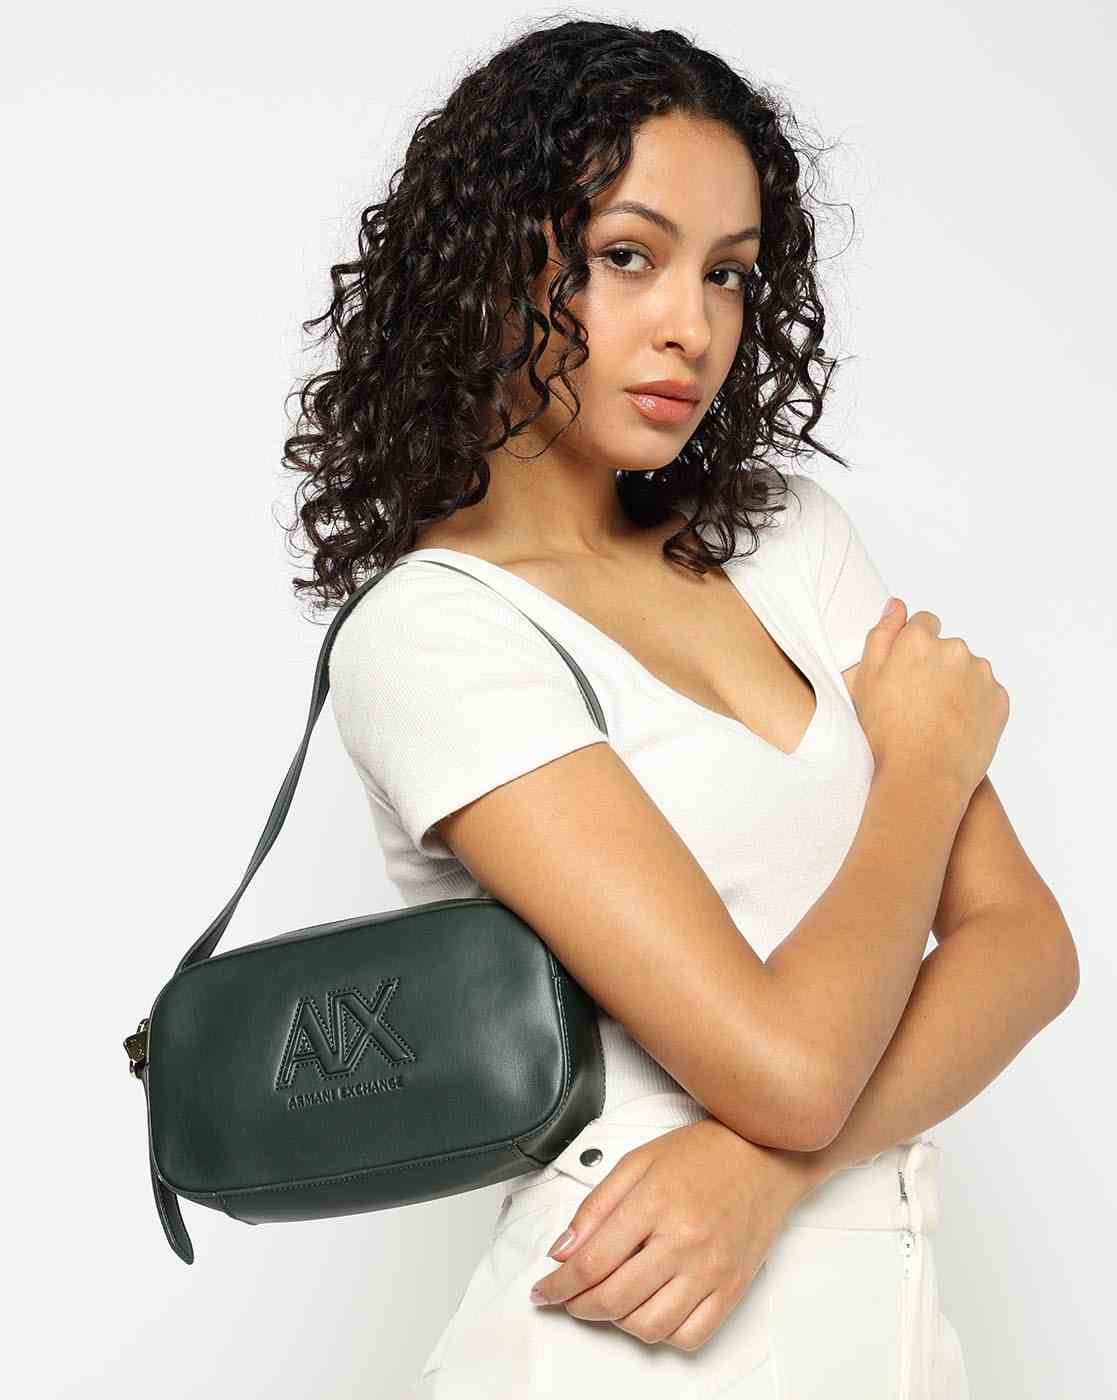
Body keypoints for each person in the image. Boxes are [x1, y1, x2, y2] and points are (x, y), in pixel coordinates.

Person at [282, 18, 1079, 1398]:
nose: (691, 327)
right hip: (620, 1332)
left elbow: (1028, 949)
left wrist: (769, 1175)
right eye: (626, 257)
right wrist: (923, 769)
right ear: (492, 264)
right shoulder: (435, 633)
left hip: (884, 1328)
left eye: (728, 273)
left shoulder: (783, 535)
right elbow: (782, 1072)